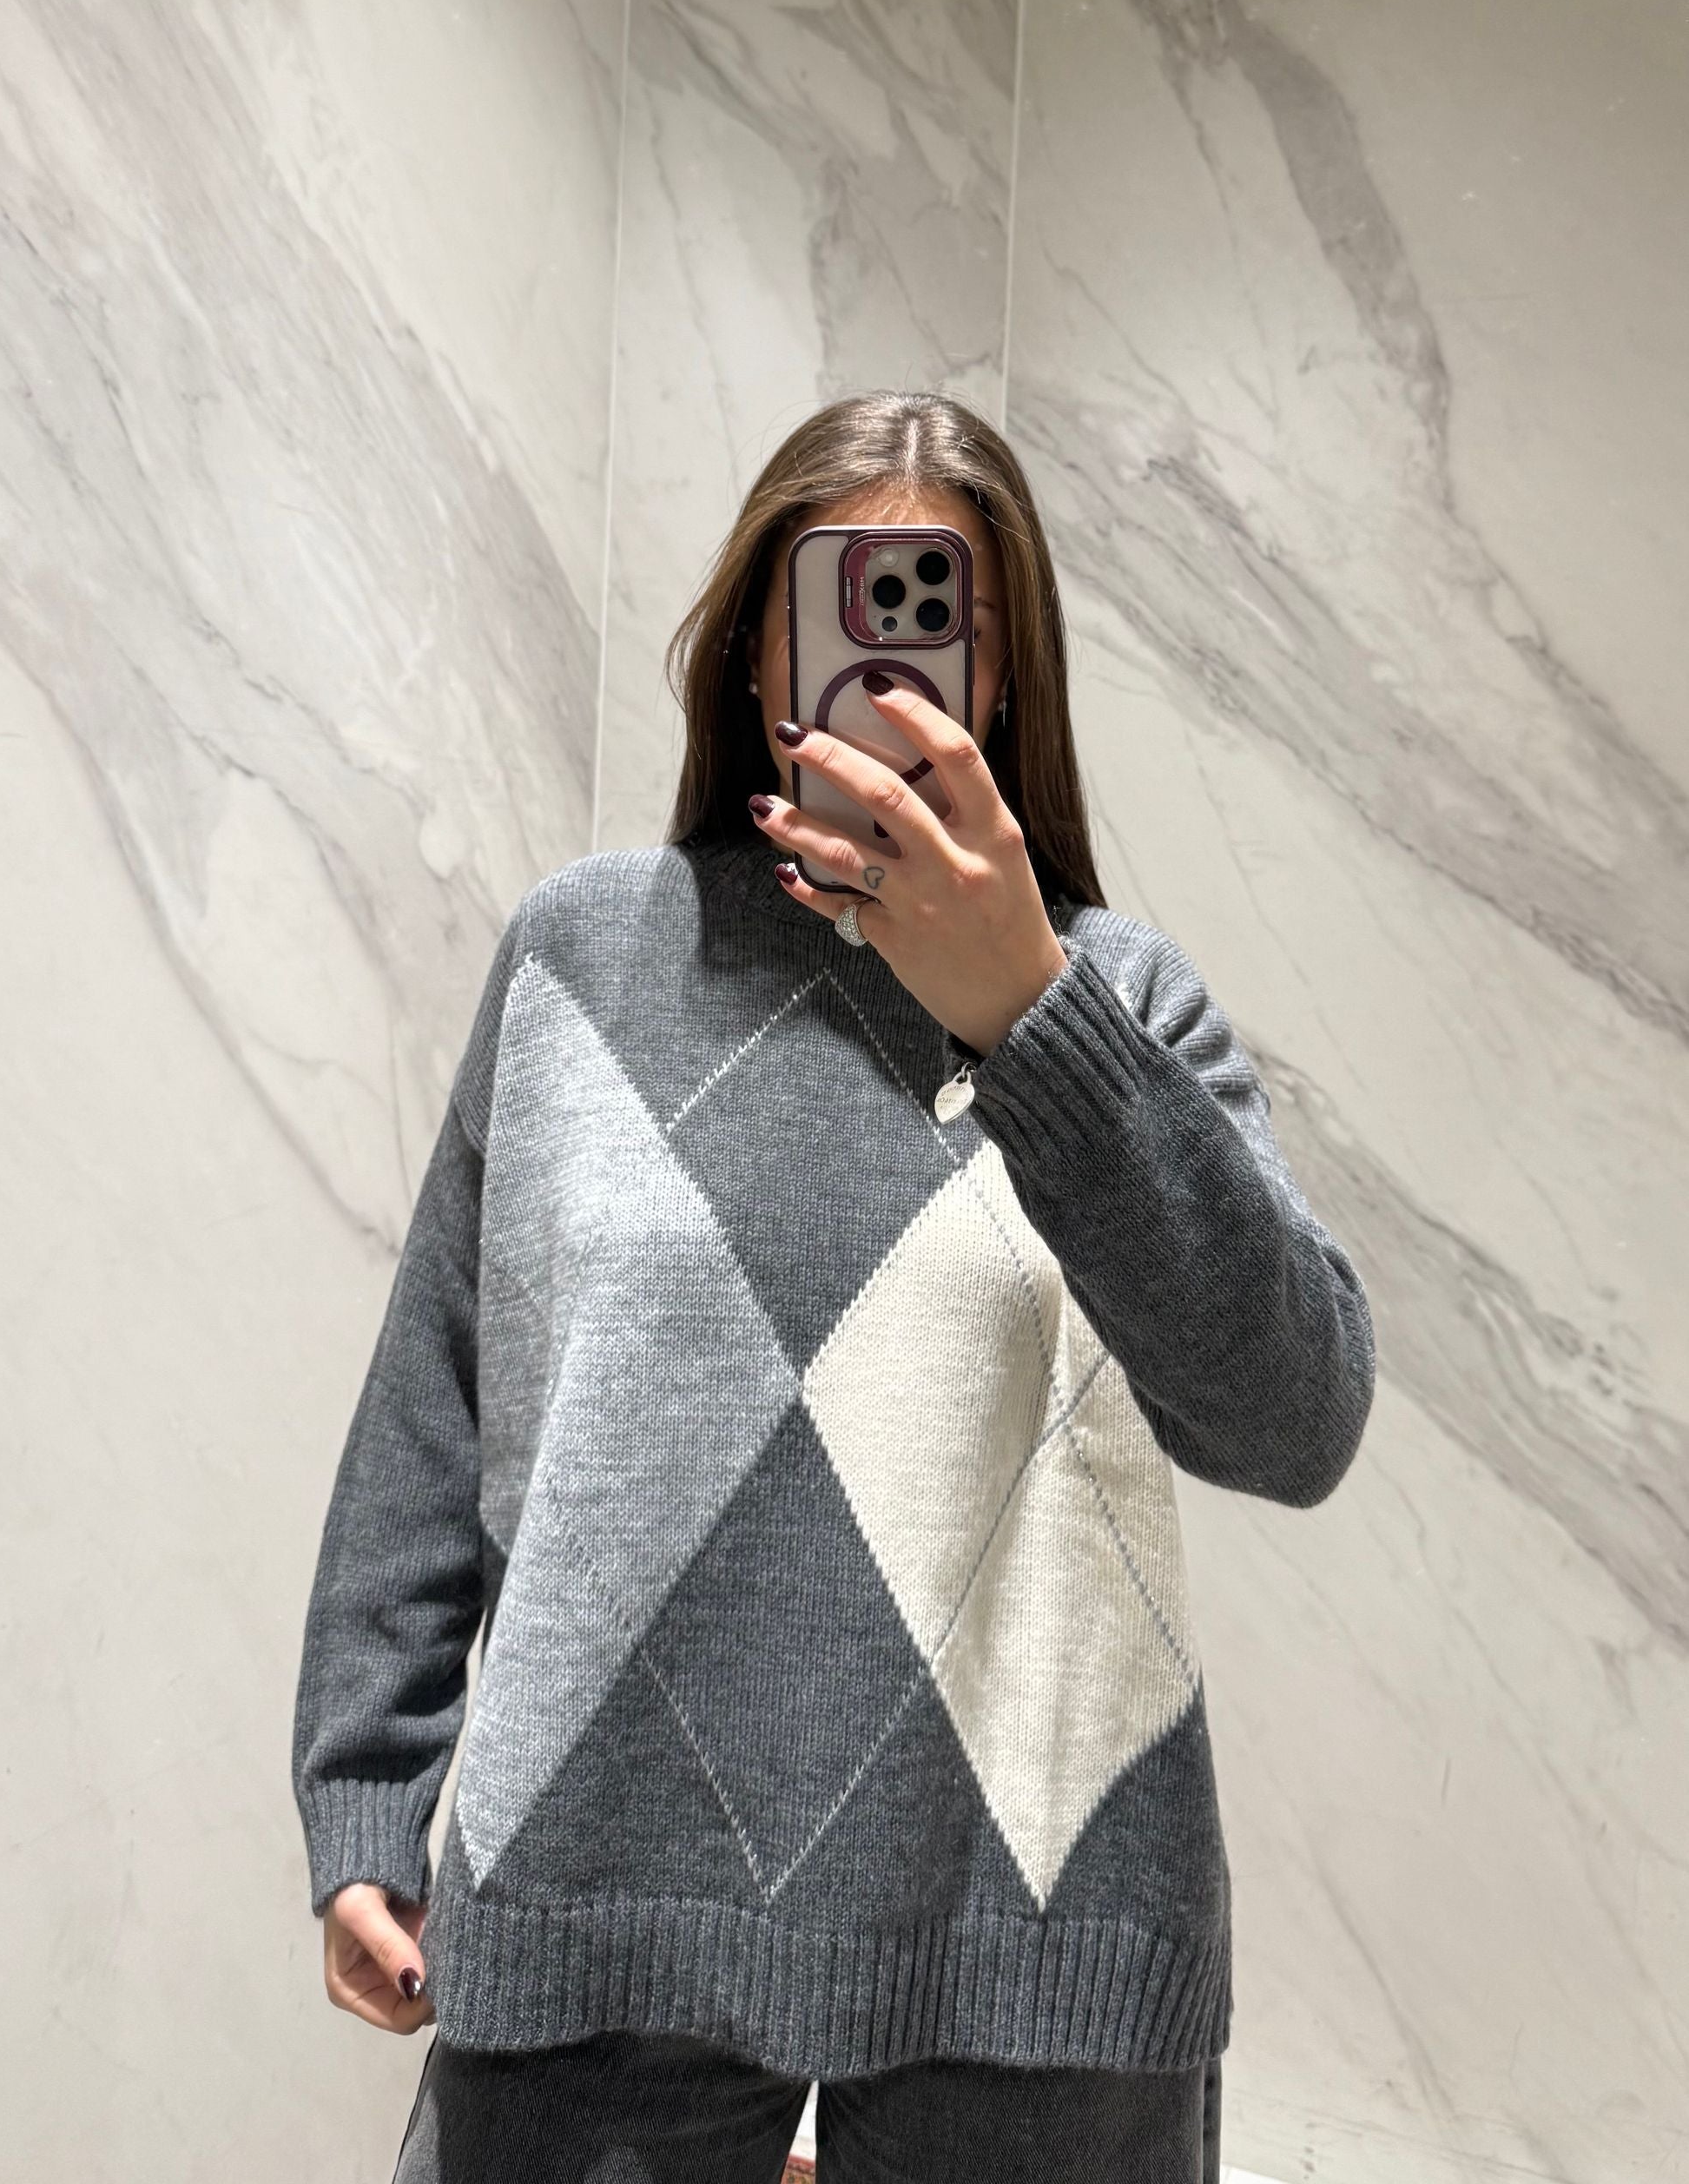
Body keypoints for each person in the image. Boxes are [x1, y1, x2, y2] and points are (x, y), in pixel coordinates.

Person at [291, 389, 1376, 2182]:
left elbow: (1294, 1418)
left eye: (939, 613)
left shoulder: (1116, 1000)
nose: (886, 661)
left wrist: (1031, 1018)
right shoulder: (583, 957)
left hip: (1037, 1942)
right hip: (592, 1894)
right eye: (834, 603)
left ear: (1003, 677)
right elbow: (438, 1403)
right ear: (754, 649)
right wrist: (363, 1790)